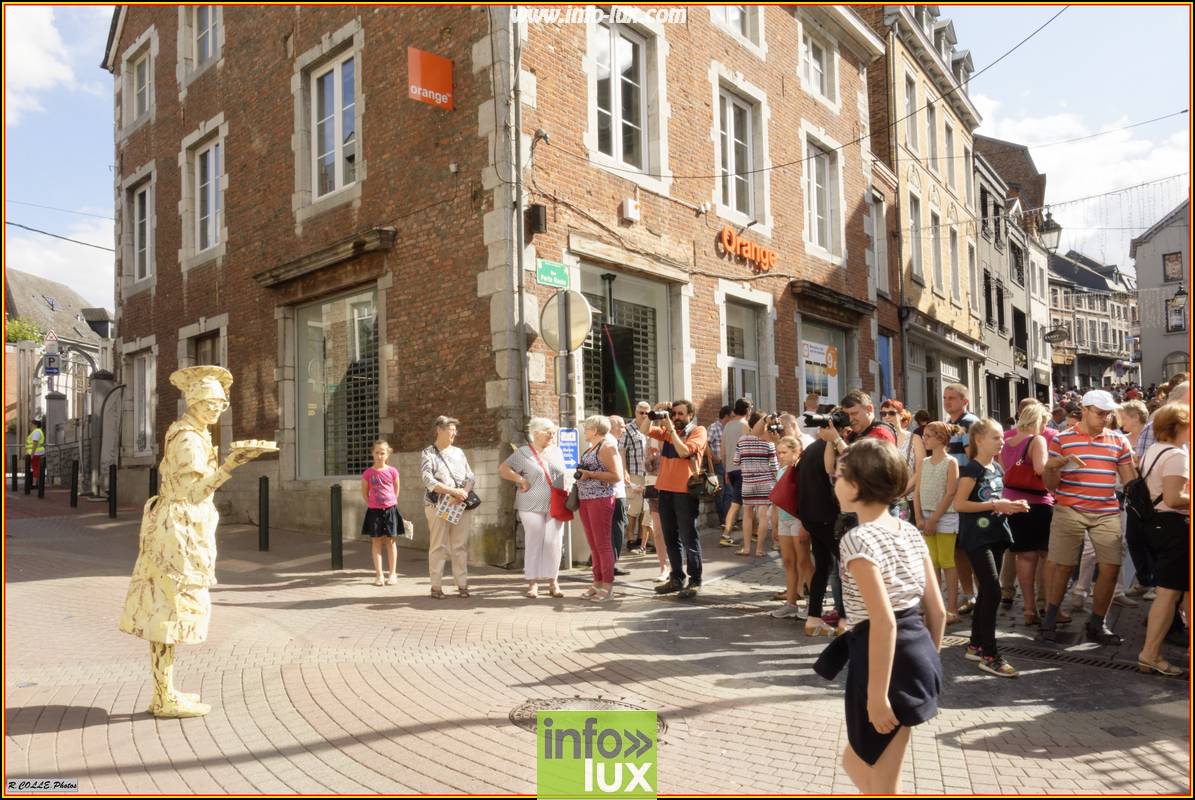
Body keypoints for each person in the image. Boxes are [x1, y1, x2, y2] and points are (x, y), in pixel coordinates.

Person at [119, 366, 264, 718]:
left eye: (221, 403)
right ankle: (164, 697)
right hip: (178, 534)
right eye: (210, 402)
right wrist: (231, 465)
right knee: (169, 608)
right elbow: (194, 492)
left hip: (184, 529)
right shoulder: (188, 439)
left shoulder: (195, 433)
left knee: (168, 608)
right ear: (194, 401)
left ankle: (165, 690)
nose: (217, 409)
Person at [814, 439, 946, 793]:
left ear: (855, 486)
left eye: (839, 477)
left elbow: (884, 621)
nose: (834, 483)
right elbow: (937, 610)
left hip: (882, 661)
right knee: (858, 762)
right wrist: (927, 661)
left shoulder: (857, 539)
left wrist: (877, 695)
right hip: (916, 653)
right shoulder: (910, 531)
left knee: (882, 783)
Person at [1039, 391, 1138, 645]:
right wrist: (1052, 468)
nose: (1106, 418)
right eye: (1100, 413)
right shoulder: (1062, 439)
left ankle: (1097, 623)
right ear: (1084, 410)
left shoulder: (1118, 440)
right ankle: (1050, 618)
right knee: (1062, 565)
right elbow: (1051, 485)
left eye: (1108, 413)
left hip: (1106, 511)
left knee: (1111, 567)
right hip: (1069, 508)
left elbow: (1130, 480)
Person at [954, 418, 1029, 676]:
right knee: (993, 590)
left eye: (1001, 437)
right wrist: (996, 505)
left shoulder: (996, 467)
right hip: (977, 538)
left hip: (996, 534)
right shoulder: (971, 469)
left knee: (988, 592)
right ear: (979, 440)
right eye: (996, 437)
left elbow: (995, 498)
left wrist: (1013, 505)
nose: (1002, 442)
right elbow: (960, 504)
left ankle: (975, 645)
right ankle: (990, 654)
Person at [1136, 403, 1191, 676]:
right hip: (1173, 527)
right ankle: (1150, 654)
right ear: (1178, 426)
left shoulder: (1153, 450)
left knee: (1176, 593)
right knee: (1168, 594)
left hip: (1157, 526)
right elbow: (1174, 498)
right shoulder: (1177, 455)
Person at [499, 417, 566, 599]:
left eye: (553, 432)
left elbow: (563, 474)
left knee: (554, 542)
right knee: (534, 540)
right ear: (536, 433)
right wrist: (520, 480)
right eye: (548, 432)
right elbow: (503, 469)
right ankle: (532, 582)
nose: (552, 435)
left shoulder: (557, 451)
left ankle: (553, 581)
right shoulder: (523, 453)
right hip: (530, 504)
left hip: (555, 505)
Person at [999, 404, 1053, 626]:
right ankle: (1049, 606)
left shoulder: (1007, 441)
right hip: (1037, 504)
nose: (1045, 427)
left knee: (1024, 557)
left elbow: (1003, 471)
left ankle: (1029, 609)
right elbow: (1041, 469)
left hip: (1012, 502)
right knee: (1047, 556)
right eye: (1045, 422)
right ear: (1039, 420)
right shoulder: (1037, 440)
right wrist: (1057, 466)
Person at [651, 400, 709, 600]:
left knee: (688, 537)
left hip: (685, 492)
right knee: (670, 537)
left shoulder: (698, 431)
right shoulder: (668, 430)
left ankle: (695, 580)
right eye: (673, 413)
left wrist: (671, 431)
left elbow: (684, 451)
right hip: (664, 490)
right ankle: (676, 577)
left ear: (690, 415)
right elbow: (644, 429)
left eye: (680, 414)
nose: (676, 417)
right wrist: (655, 411)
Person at [797, 418, 847, 636]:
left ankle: (813, 618)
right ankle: (845, 619)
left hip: (811, 517)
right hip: (828, 516)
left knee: (823, 566)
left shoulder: (810, 449)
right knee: (848, 566)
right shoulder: (831, 448)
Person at [421, 415, 476, 599]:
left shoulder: (459, 452)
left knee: (460, 546)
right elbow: (428, 480)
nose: (454, 433)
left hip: (460, 504)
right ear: (439, 430)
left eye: (455, 430)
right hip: (437, 505)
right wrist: (453, 491)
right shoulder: (428, 453)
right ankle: (436, 587)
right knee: (439, 546)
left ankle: (462, 584)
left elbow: (470, 476)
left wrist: (464, 493)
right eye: (450, 430)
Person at [913, 421, 961, 624]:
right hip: (925, 516)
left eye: (927, 436)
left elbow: (950, 493)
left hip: (945, 516)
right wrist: (919, 517)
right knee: (932, 563)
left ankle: (952, 608)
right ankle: (934, 606)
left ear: (940, 438)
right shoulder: (924, 462)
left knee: (947, 561)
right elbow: (917, 491)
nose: (924, 439)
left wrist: (934, 519)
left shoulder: (951, 462)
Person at [576, 415, 624, 602]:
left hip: (601, 499)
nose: (585, 431)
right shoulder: (591, 448)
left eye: (587, 428)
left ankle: (608, 586)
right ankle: (597, 582)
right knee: (593, 544)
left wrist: (590, 474)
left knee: (603, 544)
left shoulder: (607, 447)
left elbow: (616, 476)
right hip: (586, 499)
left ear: (595, 430)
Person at [943, 383, 980, 615]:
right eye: (945, 397)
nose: (947, 402)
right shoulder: (950, 424)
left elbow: (973, 457)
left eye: (952, 398)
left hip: (967, 491)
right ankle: (969, 595)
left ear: (964, 401)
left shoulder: (968, 423)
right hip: (953, 491)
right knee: (958, 548)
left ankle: (981, 593)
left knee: (971, 547)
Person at [1119, 400, 1156, 597]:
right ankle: (1145, 580)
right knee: (1133, 539)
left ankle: (1156, 584)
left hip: (1149, 494)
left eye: (1124, 417)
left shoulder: (1151, 436)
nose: (1121, 421)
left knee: (1150, 538)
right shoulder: (1121, 439)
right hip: (1130, 495)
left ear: (1135, 418)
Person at [770, 436, 808, 620]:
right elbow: (777, 501)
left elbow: (805, 498)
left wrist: (805, 525)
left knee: (804, 562)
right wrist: (775, 524)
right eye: (778, 453)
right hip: (784, 520)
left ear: (796, 451)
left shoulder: (801, 470)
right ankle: (791, 604)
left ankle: (813, 605)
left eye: (784, 452)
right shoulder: (780, 471)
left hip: (797, 520)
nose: (780, 456)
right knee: (788, 562)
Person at [734, 413, 779, 557]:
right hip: (766, 482)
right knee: (763, 516)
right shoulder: (769, 441)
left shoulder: (742, 440)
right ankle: (759, 549)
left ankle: (746, 548)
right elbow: (774, 466)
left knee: (747, 515)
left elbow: (736, 461)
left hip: (748, 482)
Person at [361, 440, 402, 587]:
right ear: (372, 453)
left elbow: (396, 489)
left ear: (388, 454)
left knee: (391, 541)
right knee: (376, 541)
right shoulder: (368, 473)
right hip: (374, 511)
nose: (379, 456)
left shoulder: (393, 471)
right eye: (377, 453)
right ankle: (379, 575)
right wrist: (373, 504)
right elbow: (365, 493)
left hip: (390, 509)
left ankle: (392, 574)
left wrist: (391, 502)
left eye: (382, 453)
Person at [720, 398, 752, 547]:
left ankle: (754, 531)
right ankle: (726, 534)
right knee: (736, 503)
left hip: (731, 469)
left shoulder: (727, 426)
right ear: (748, 410)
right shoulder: (745, 426)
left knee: (747, 501)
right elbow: (748, 449)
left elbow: (723, 451)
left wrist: (726, 471)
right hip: (742, 469)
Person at [622, 402, 651, 554]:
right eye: (641, 412)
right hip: (634, 472)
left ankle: (641, 540)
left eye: (647, 413)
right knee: (634, 508)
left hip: (649, 474)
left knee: (645, 509)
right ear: (635, 412)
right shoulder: (628, 429)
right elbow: (621, 451)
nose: (644, 415)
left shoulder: (651, 428)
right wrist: (624, 471)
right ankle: (630, 540)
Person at [607, 415, 630, 577]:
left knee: (614, 527)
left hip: (614, 491)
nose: (624, 429)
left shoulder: (610, 441)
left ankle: (606, 560)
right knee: (617, 528)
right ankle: (612, 563)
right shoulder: (610, 442)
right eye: (621, 426)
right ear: (612, 427)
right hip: (615, 493)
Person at [708, 405, 733, 528]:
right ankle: (723, 521)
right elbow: (706, 444)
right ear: (727, 416)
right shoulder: (713, 427)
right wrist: (714, 458)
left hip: (729, 464)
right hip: (718, 464)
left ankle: (727, 520)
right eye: (732, 416)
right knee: (720, 492)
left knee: (730, 492)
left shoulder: (729, 428)